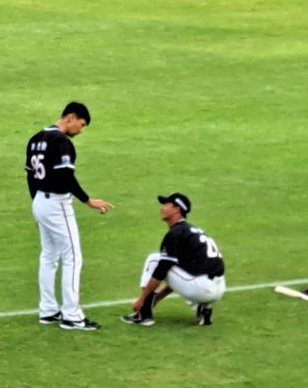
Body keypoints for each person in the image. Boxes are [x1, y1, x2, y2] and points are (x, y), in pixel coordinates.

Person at [25, 102, 113, 331]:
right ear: (70, 117)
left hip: (40, 201)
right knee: (72, 257)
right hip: (57, 204)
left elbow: (30, 176)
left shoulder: (36, 139)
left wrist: (36, 207)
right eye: (80, 125)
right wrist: (88, 200)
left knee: (49, 255)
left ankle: (47, 310)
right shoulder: (61, 141)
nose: (80, 131)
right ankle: (72, 316)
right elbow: (65, 176)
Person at [122, 193, 225, 327]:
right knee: (179, 268)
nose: (162, 208)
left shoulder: (175, 233)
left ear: (177, 209)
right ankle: (202, 309)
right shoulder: (192, 231)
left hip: (199, 287)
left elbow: (162, 270)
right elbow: (177, 276)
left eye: (166, 204)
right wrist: (157, 298)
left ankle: (144, 314)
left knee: (154, 260)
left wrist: (141, 299)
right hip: (219, 288)